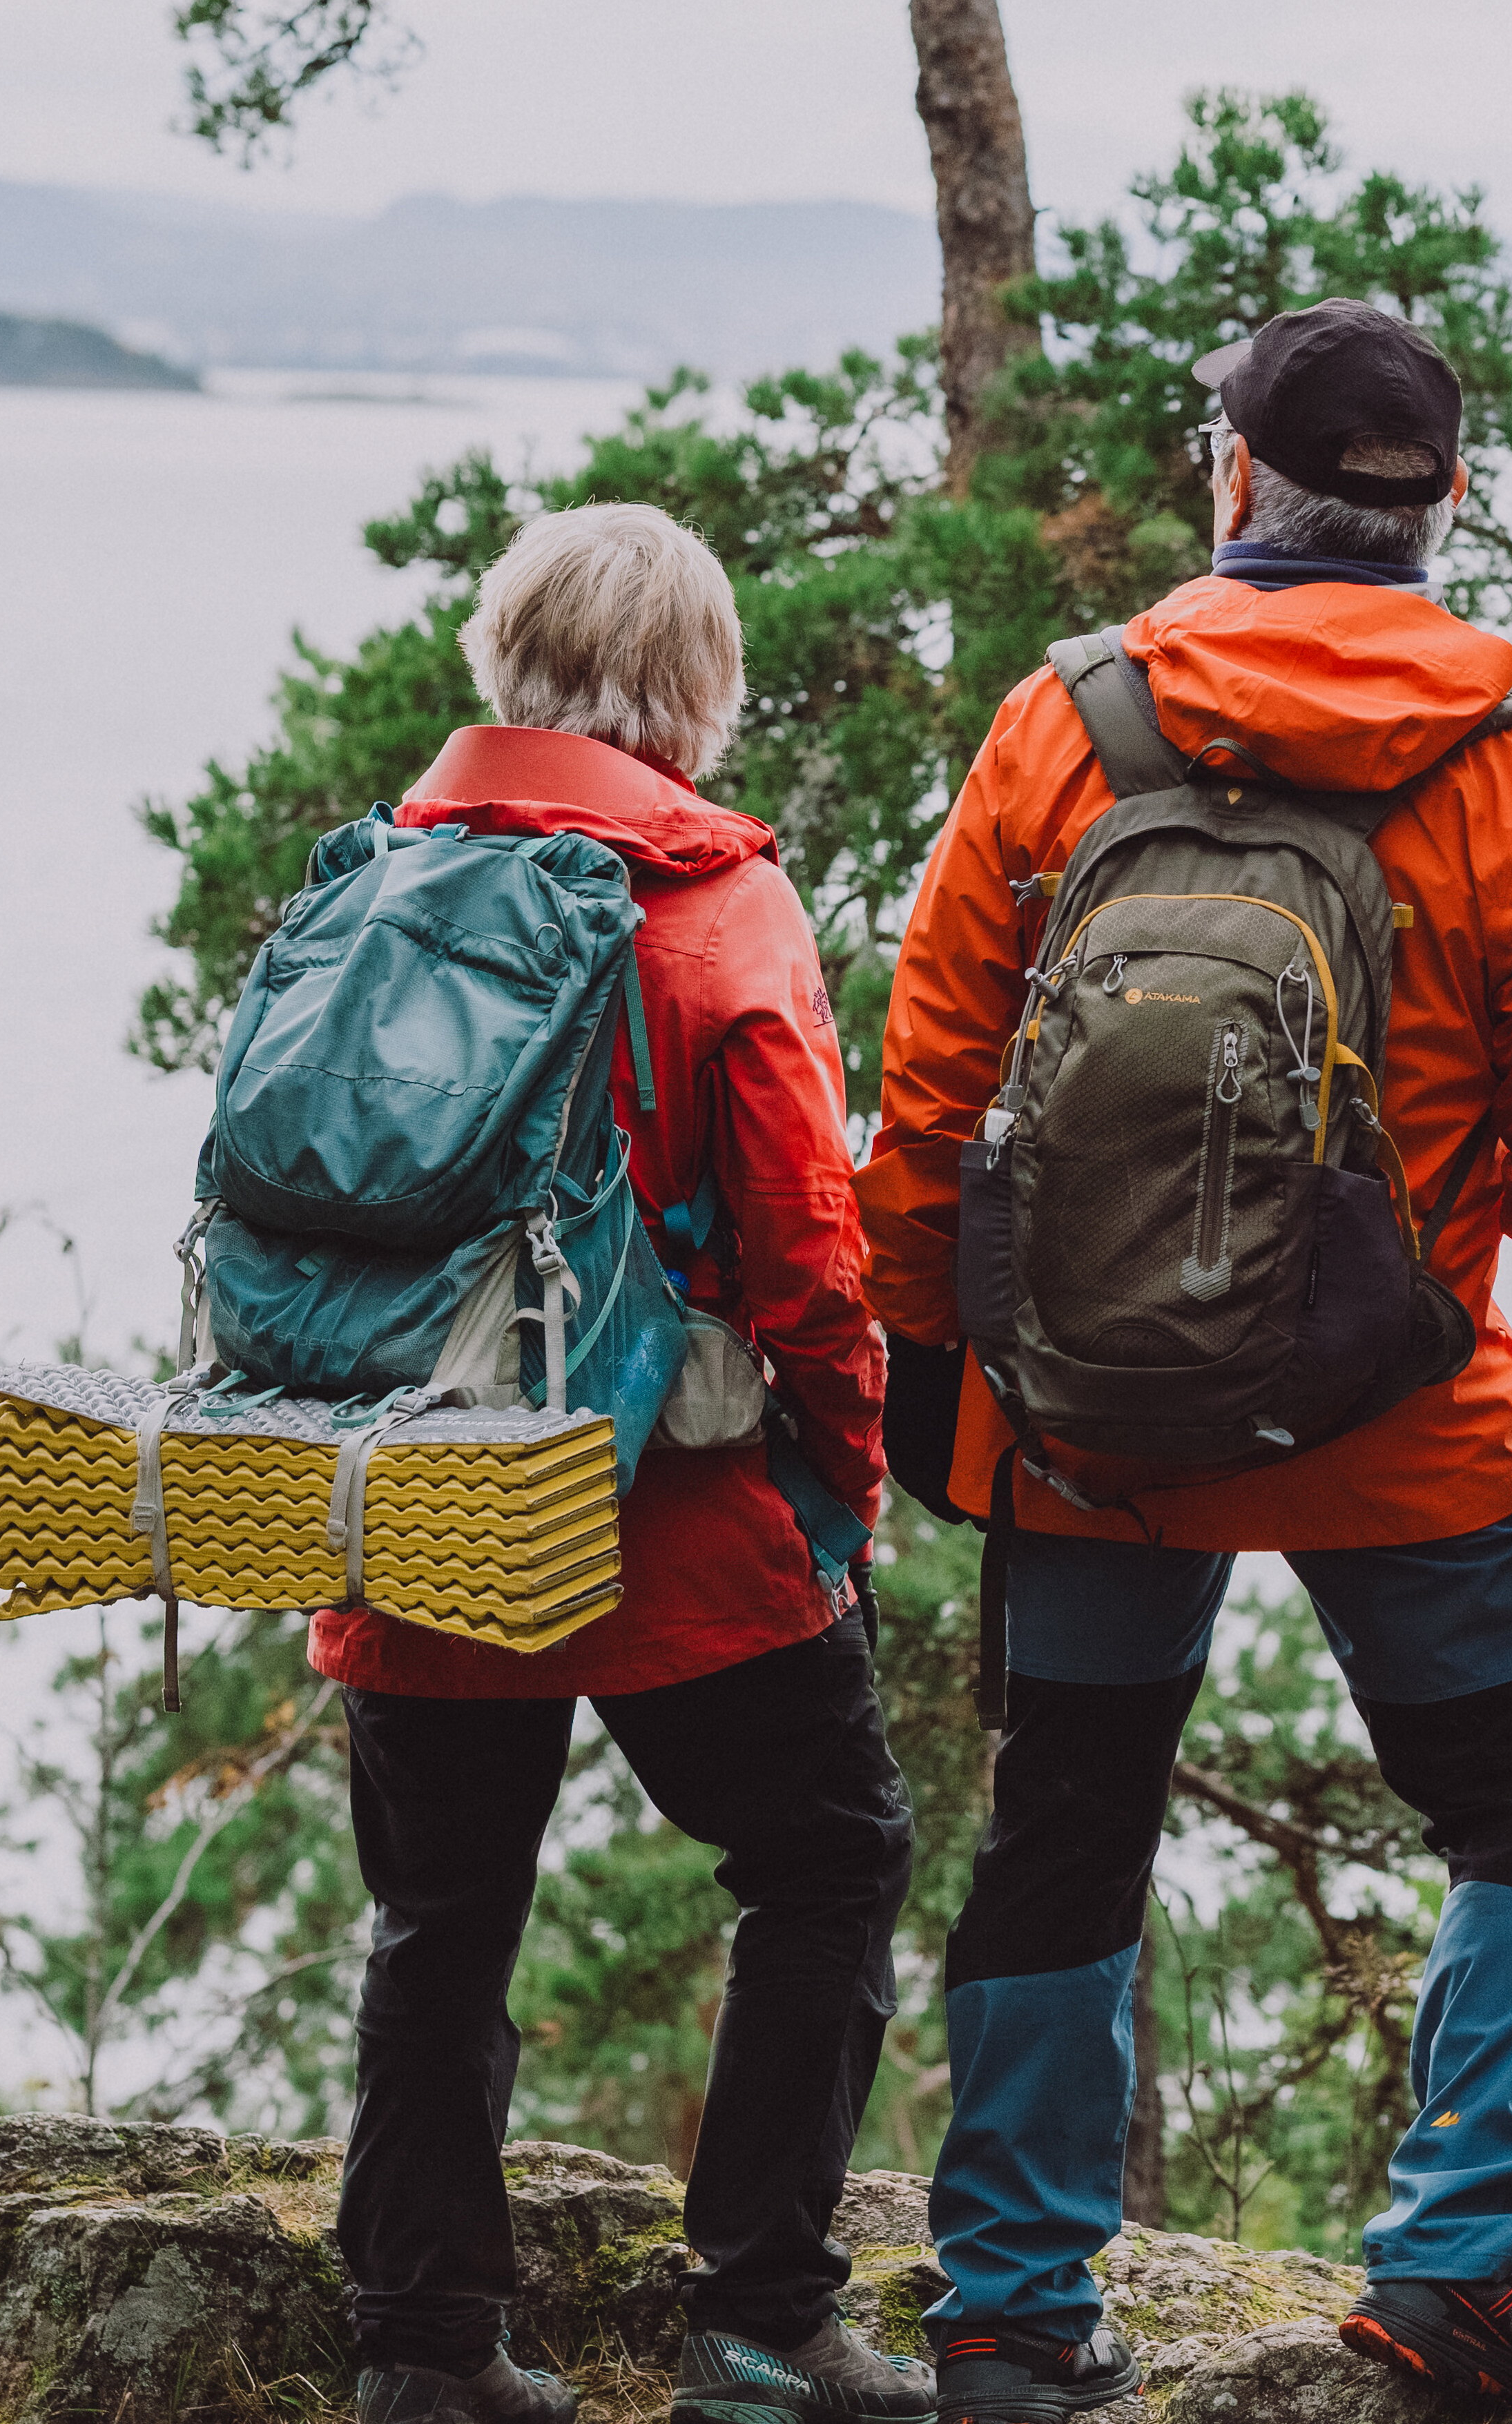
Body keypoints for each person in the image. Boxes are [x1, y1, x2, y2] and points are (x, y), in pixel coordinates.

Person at [863, 300, 1512, 2421]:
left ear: (1235, 479)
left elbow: (937, 1087)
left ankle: (1013, 2315)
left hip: (1095, 1427)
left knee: (1067, 1820)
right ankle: (1462, 2270)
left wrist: (930, 1372)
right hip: (1402, 1419)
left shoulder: (1071, 728)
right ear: (1450, 504)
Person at [314, 504, 929, 2424]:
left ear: (504, 655)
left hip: (420, 1486)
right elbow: (806, 1251)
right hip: (670, 1512)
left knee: (441, 1923)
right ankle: (756, 2317)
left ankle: (426, 2352)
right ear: (696, 688)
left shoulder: (372, 885)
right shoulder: (711, 902)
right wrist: (845, 1479)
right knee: (829, 1861)